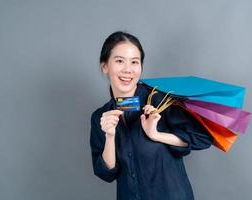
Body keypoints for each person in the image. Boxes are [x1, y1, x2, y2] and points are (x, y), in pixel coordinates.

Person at [90, 31, 213, 200]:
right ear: (105, 66)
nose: (127, 70)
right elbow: (106, 173)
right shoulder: (101, 117)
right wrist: (110, 137)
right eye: (119, 61)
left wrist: (156, 135)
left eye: (134, 62)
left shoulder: (160, 100)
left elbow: (202, 138)